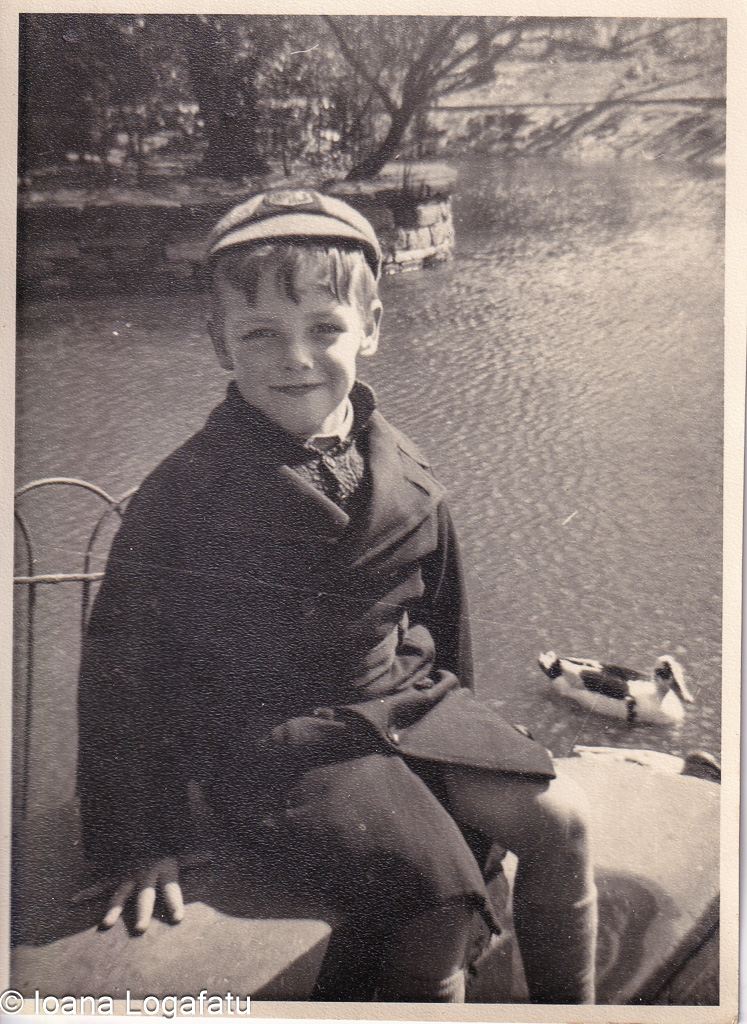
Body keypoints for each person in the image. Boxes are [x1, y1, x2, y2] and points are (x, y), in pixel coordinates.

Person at [77, 188, 597, 1004]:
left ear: (373, 328)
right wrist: (139, 836)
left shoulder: (409, 470)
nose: (297, 359)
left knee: (561, 824)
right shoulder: (183, 494)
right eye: (261, 335)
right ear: (220, 344)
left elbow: (444, 622)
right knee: (435, 903)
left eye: (325, 328)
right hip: (277, 740)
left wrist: (473, 737)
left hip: (406, 705)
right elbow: (123, 671)